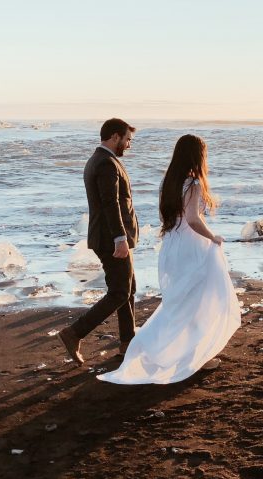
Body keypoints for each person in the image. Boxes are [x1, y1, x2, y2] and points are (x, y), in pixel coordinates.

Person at [98, 134, 241, 385]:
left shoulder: (168, 182)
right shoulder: (193, 183)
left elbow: (172, 219)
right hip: (191, 247)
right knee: (198, 301)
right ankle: (189, 355)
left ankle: (180, 353)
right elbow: (193, 220)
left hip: (172, 246)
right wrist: (214, 237)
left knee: (179, 303)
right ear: (197, 156)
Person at [59, 118, 140, 365]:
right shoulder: (105, 163)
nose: (128, 145)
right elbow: (110, 204)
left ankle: (128, 343)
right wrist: (120, 239)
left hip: (107, 238)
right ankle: (74, 333)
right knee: (119, 292)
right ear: (114, 137)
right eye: (127, 140)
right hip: (110, 239)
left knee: (129, 289)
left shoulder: (99, 159)